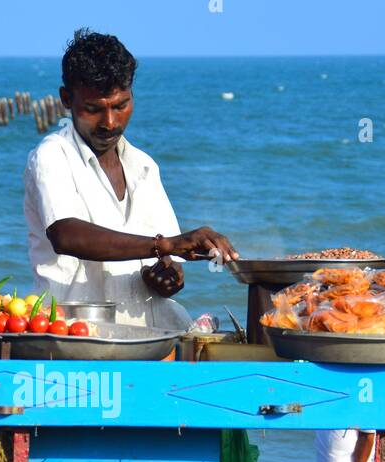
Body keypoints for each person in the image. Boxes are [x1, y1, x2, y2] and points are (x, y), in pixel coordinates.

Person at [23, 28, 239, 329]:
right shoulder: (53, 155)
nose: (109, 122)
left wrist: (167, 275)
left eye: (120, 105)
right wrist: (167, 246)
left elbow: (168, 261)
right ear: (66, 99)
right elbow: (66, 235)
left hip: (148, 339)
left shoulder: (144, 166)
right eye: (93, 109)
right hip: (75, 338)